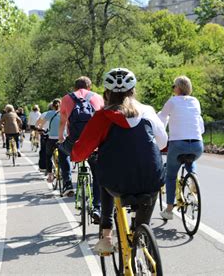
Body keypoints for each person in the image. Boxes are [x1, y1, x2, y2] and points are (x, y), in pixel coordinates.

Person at [71, 68, 168, 254]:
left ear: (106, 93)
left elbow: (79, 153)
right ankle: (142, 232)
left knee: (104, 174)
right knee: (150, 189)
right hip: (151, 179)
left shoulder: (101, 117)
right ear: (133, 90)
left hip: (118, 183)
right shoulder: (147, 111)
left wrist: (74, 151)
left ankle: (106, 236)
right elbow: (163, 143)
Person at [157, 75, 205, 220]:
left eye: (174, 86)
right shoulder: (195, 101)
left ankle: (169, 210)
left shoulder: (172, 101)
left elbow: (161, 120)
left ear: (178, 88)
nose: (173, 89)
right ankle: (193, 177)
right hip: (197, 144)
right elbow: (200, 126)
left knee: (171, 176)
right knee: (191, 158)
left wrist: (160, 137)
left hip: (178, 144)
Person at [58, 76, 104, 221]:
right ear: (89, 87)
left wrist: (61, 138)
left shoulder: (66, 99)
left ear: (74, 87)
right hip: (94, 144)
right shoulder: (98, 97)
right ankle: (97, 207)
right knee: (97, 175)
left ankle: (67, 183)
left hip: (75, 144)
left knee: (61, 150)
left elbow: (63, 122)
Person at [37, 99, 73, 194]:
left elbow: (39, 124)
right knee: (65, 157)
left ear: (52, 106)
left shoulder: (49, 113)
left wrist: (41, 130)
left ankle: (50, 175)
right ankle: (67, 182)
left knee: (48, 155)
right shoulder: (66, 112)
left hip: (52, 139)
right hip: (63, 139)